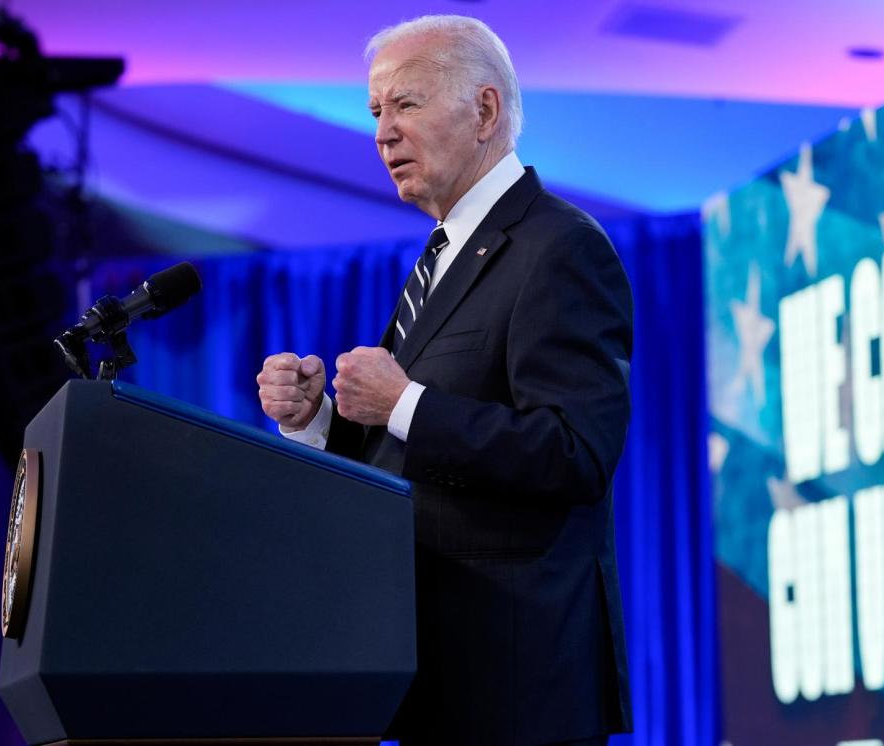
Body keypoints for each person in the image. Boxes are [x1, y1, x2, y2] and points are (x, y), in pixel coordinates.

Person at [256, 15, 632, 746]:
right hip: (432, 680)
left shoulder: (561, 250)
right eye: (375, 113)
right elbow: (402, 463)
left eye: (405, 104)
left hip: (517, 691)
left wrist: (404, 402)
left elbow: (575, 452)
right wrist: (317, 423)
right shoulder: (443, 256)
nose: (382, 133)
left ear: (485, 110)